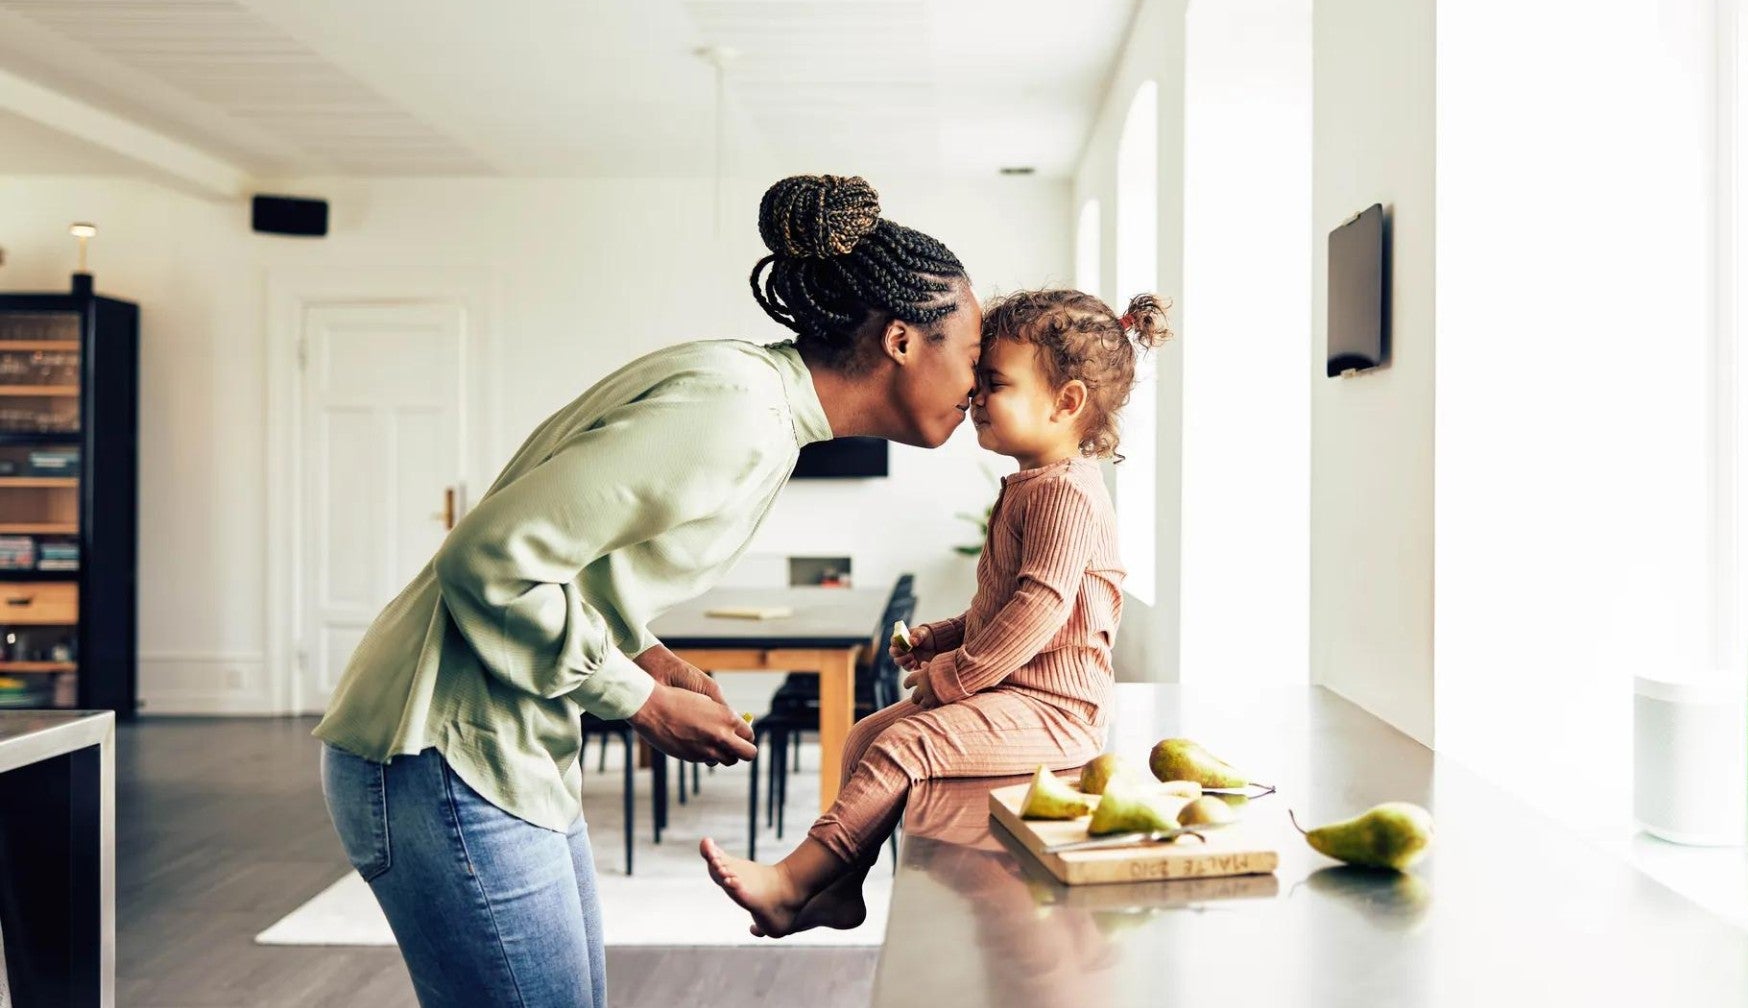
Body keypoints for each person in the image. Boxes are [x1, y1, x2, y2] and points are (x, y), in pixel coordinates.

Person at [313, 174, 983, 1008]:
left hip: (494, 746)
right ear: (901, 341)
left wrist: (651, 658)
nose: (980, 385)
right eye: (973, 353)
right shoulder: (736, 413)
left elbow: (573, 566)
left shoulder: (757, 406)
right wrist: (638, 701)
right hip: (442, 751)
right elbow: (486, 560)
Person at [701, 286, 1173, 938]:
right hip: (1014, 695)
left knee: (903, 746)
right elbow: (1006, 605)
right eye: (978, 381)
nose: (975, 396)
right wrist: (943, 635)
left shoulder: (1066, 494)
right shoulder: (1034, 486)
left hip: (1058, 713)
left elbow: (1039, 608)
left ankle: (792, 882)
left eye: (995, 384)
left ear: (1066, 403)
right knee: (866, 736)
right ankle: (841, 889)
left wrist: (958, 672)